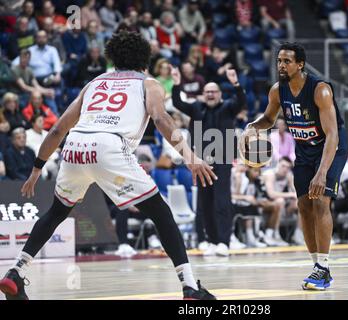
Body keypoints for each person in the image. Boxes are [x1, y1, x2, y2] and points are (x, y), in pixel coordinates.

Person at [0, 31, 217, 300]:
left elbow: (57, 129)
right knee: (161, 213)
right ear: (145, 59)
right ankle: (190, 287)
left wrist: (36, 169)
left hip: (75, 145)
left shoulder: (94, 83)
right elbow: (161, 119)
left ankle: (15, 272)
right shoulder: (149, 84)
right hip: (110, 146)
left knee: (57, 212)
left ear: (112, 58)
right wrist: (190, 156)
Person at [241, 42, 348, 290]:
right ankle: (317, 267)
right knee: (303, 204)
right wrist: (251, 127)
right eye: (279, 60)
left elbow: (332, 134)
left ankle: (323, 267)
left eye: (287, 61)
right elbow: (269, 118)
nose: (281, 65)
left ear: (300, 64)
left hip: (330, 147)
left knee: (320, 200)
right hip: (304, 149)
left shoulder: (320, 90)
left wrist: (322, 173)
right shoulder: (278, 90)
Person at [171, 66, 246, 257]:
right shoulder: (197, 107)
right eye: (207, 92)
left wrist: (235, 84)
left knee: (221, 201)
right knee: (205, 203)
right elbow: (178, 103)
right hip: (201, 161)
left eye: (214, 92)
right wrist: (177, 83)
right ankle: (211, 241)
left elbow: (242, 101)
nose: (210, 94)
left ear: (220, 94)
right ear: (203, 94)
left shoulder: (229, 107)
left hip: (223, 160)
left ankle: (224, 242)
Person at [262, 156, 298, 246]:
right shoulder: (270, 174)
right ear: (277, 164)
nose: (285, 169)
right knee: (280, 201)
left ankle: (299, 234)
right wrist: (291, 195)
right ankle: (273, 235)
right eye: (283, 166)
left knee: (299, 203)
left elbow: (295, 192)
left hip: (279, 205)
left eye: (288, 167)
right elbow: (271, 194)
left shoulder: (289, 175)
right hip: (261, 201)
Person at [25, 114, 59, 180]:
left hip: (48, 159)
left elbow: (52, 147)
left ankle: (53, 186)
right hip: (34, 159)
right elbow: (28, 148)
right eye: (40, 121)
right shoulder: (27, 133)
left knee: (54, 167)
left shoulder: (47, 134)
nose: (42, 122)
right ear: (33, 123)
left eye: (43, 121)